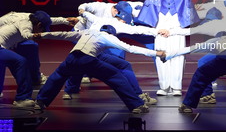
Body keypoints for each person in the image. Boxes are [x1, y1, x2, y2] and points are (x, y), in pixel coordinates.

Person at [34, 25, 167, 114]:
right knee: (116, 76)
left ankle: (40, 102)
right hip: (87, 60)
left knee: (57, 76)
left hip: (71, 58)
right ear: (112, 34)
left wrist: (42, 35)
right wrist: (157, 53)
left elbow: (63, 34)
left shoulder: (87, 32)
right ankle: (136, 105)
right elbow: (131, 48)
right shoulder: (108, 37)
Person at [137, 0, 200, 96]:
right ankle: (164, 86)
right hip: (160, 17)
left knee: (177, 51)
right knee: (161, 50)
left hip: (178, 17)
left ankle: (176, 86)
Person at [0, 11, 53, 107]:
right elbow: (26, 34)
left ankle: (35, 79)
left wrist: (66, 21)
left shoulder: (26, 17)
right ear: (39, 24)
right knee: (20, 62)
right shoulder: (26, 26)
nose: (41, 32)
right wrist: (35, 36)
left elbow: (53, 20)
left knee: (30, 46)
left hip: (4, 45)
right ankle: (22, 98)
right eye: (42, 29)